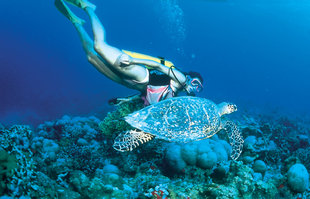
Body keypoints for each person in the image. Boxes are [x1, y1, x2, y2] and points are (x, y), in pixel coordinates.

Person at [54, 0, 204, 106]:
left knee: (91, 57)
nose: (195, 88)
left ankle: (77, 23)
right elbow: (158, 66)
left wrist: (125, 100)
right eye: (196, 83)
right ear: (190, 78)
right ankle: (88, 7)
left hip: (128, 84)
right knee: (99, 46)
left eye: (199, 88)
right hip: (140, 75)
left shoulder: (176, 93)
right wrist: (133, 61)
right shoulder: (181, 78)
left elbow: (147, 94)